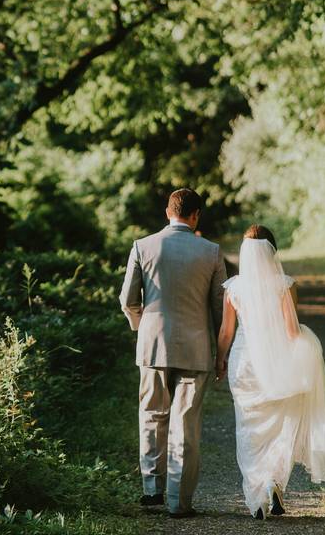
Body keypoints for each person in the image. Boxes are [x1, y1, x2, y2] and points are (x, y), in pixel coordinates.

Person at [215, 225, 325, 519]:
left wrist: (219, 361)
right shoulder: (285, 284)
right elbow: (290, 330)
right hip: (276, 363)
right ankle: (273, 483)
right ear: (273, 252)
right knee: (279, 425)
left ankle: (257, 497)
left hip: (244, 362)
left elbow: (226, 331)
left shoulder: (234, 287)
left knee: (249, 428)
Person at [119, 188, 227, 518]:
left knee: (152, 415)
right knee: (186, 422)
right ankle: (179, 501)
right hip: (196, 347)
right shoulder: (211, 252)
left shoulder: (142, 246)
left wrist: (143, 326)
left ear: (168, 212)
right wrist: (221, 352)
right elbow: (220, 309)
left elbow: (128, 300)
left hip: (152, 343)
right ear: (195, 216)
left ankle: (152, 491)